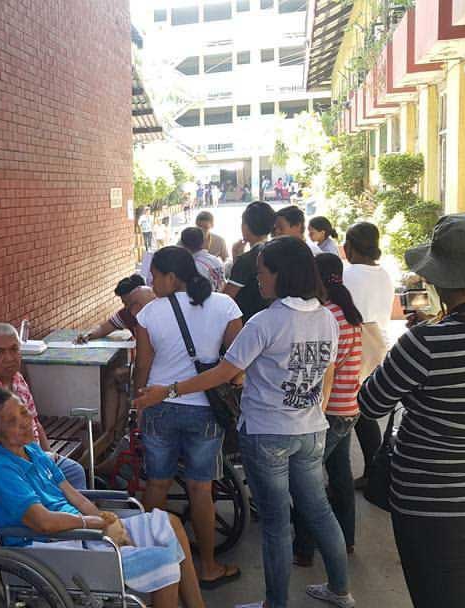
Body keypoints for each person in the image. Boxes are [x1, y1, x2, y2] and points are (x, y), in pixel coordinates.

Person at [136, 237, 354, 608]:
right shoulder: (326, 318)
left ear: (281, 274)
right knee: (318, 509)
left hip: (268, 432)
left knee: (274, 524)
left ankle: (275, 603)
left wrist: (169, 389)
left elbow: (225, 373)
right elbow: (326, 376)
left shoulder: (266, 321)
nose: (258, 280)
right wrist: (311, 410)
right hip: (312, 429)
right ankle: (340, 590)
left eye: (262, 272)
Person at [358, 213, 465, 608]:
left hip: (433, 507)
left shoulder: (426, 342)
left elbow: (371, 403)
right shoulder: (432, 337)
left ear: (441, 280)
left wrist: (428, 334)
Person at [0, 388, 205, 608]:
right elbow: (43, 523)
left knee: (170, 524)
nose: (24, 421)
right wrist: (92, 524)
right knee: (163, 561)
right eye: (11, 421)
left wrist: (107, 522)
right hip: (51, 546)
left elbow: (75, 496)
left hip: (83, 533)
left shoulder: (33, 451)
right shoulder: (0, 469)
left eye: (24, 411)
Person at [133, 246, 244, 589]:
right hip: (205, 408)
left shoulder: (150, 313)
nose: (151, 282)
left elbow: (144, 367)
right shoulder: (225, 306)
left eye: (154, 276)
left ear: (171, 276)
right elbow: (238, 360)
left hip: (159, 404)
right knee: (200, 488)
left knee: (157, 484)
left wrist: (138, 406)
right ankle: (208, 566)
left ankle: (147, 566)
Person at [293, 253, 363, 567]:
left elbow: (324, 370)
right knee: (339, 476)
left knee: (307, 482)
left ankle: (305, 547)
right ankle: (346, 539)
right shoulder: (350, 313)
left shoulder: (327, 316)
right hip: (350, 407)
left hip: (330, 410)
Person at [0, 323, 88, 488]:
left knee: (75, 472)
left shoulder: (17, 378)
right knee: (63, 486)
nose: (9, 358)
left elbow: (35, 422)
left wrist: (48, 454)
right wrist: (41, 464)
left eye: (14, 349)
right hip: (11, 466)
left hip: (33, 455)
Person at [342, 223, 394, 487]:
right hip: (378, 343)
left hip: (354, 343)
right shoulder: (384, 274)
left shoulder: (348, 273)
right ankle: (374, 472)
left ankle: (340, 477)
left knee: (342, 410)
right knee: (365, 410)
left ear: (350, 245)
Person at [224, 201, 277, 322]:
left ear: (245, 227)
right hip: (275, 319)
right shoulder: (279, 251)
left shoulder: (247, 259)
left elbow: (226, 298)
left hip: (249, 321)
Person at [77, 275, 155, 342]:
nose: (127, 307)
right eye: (125, 303)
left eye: (132, 303)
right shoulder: (126, 314)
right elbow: (103, 329)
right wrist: (88, 336)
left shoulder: (159, 314)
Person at [180, 227, 225, 292]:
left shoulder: (191, 265)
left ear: (182, 244)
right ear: (203, 242)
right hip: (219, 298)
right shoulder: (216, 260)